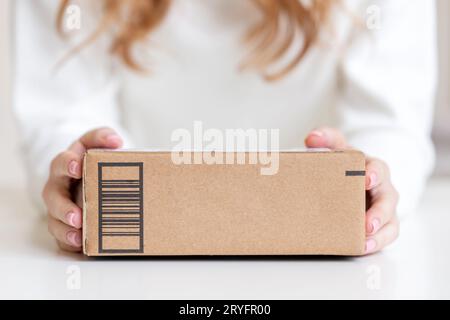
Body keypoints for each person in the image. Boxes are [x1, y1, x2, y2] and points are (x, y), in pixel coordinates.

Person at [13, 0, 436, 254]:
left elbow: (389, 121)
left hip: (315, 251)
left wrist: (371, 184)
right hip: (135, 251)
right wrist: (77, 181)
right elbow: (60, 112)